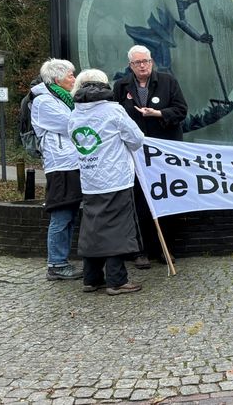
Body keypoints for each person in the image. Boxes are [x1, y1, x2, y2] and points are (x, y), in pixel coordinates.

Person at [69, 69, 146, 295]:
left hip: (90, 178)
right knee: (117, 229)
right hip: (115, 178)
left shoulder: (75, 113)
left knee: (92, 227)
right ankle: (117, 280)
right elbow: (136, 139)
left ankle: (91, 278)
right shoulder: (114, 110)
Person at [112, 45, 188, 269]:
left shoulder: (168, 82)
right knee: (139, 202)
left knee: (164, 199)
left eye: (145, 61)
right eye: (137, 63)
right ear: (130, 66)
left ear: (152, 62)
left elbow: (181, 110)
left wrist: (159, 114)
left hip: (163, 153)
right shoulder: (121, 85)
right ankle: (140, 251)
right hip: (135, 155)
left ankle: (164, 249)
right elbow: (115, 116)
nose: (142, 65)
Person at [31, 59, 83, 281]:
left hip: (71, 163)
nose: (74, 79)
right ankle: (56, 263)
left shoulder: (62, 99)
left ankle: (61, 261)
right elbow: (71, 124)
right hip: (60, 165)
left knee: (69, 214)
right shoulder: (45, 102)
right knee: (62, 214)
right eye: (70, 75)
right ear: (57, 79)